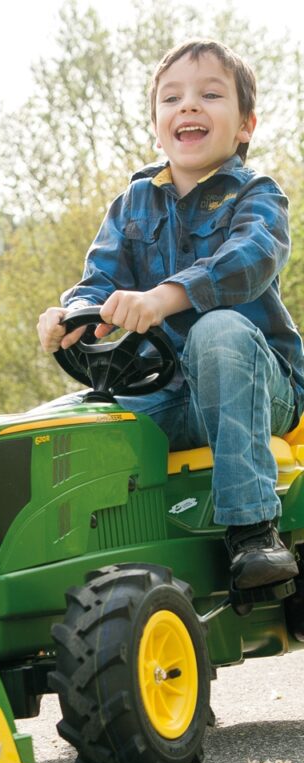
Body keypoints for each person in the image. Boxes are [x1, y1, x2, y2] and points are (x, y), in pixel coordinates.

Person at [37, 38, 304, 591]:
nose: (189, 106)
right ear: (156, 127)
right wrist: (70, 316)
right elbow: (98, 283)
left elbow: (249, 260)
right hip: (163, 391)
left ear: (246, 126)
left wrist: (163, 297)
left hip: (257, 387)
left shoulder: (259, 196)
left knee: (218, 330)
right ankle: (62, 567)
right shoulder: (132, 204)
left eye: (210, 95)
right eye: (172, 98)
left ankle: (253, 531)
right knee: (55, 428)